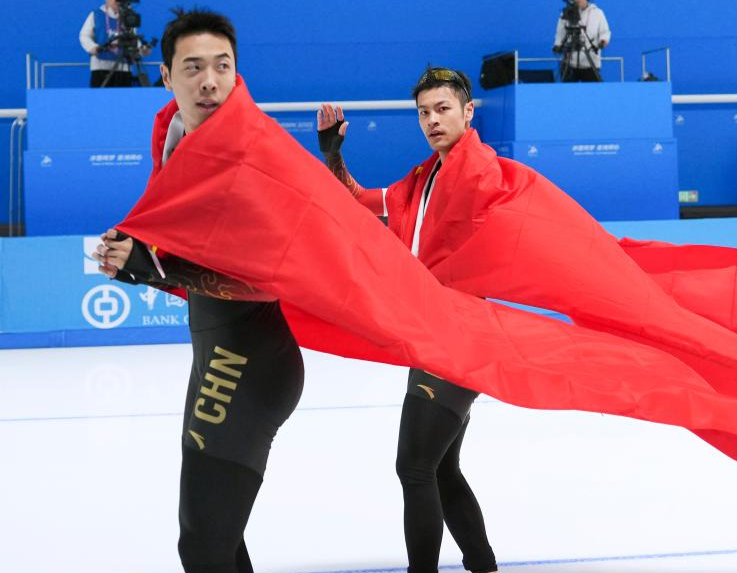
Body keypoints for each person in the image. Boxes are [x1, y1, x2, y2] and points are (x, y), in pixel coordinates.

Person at [92, 9, 304, 573]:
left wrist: (153, 269)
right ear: (166, 76)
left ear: (237, 73)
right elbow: (180, 239)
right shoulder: (176, 134)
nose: (209, 80)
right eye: (194, 67)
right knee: (220, 541)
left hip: (252, 359)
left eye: (222, 66)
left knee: (203, 545)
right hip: (217, 354)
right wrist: (138, 252)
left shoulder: (253, 153)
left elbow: (261, 277)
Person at [317, 68, 498, 573]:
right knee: (440, 469)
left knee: (414, 466)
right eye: (423, 112)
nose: (432, 120)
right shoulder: (425, 178)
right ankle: (482, 564)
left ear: (468, 111)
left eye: (443, 109)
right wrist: (333, 155)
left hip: (459, 337)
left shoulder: (479, 169)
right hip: (435, 335)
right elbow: (358, 200)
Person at [79, 0, 149, 87]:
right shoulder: (96, 14)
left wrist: (141, 50)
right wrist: (93, 47)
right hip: (101, 67)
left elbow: (132, 37)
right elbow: (84, 35)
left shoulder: (128, 16)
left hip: (124, 67)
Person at [552, 0, 611, 82]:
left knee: (593, 91)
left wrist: (603, 41)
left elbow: (605, 32)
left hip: (590, 62)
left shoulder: (597, 13)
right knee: (567, 90)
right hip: (570, 62)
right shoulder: (568, 13)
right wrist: (557, 45)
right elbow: (560, 32)